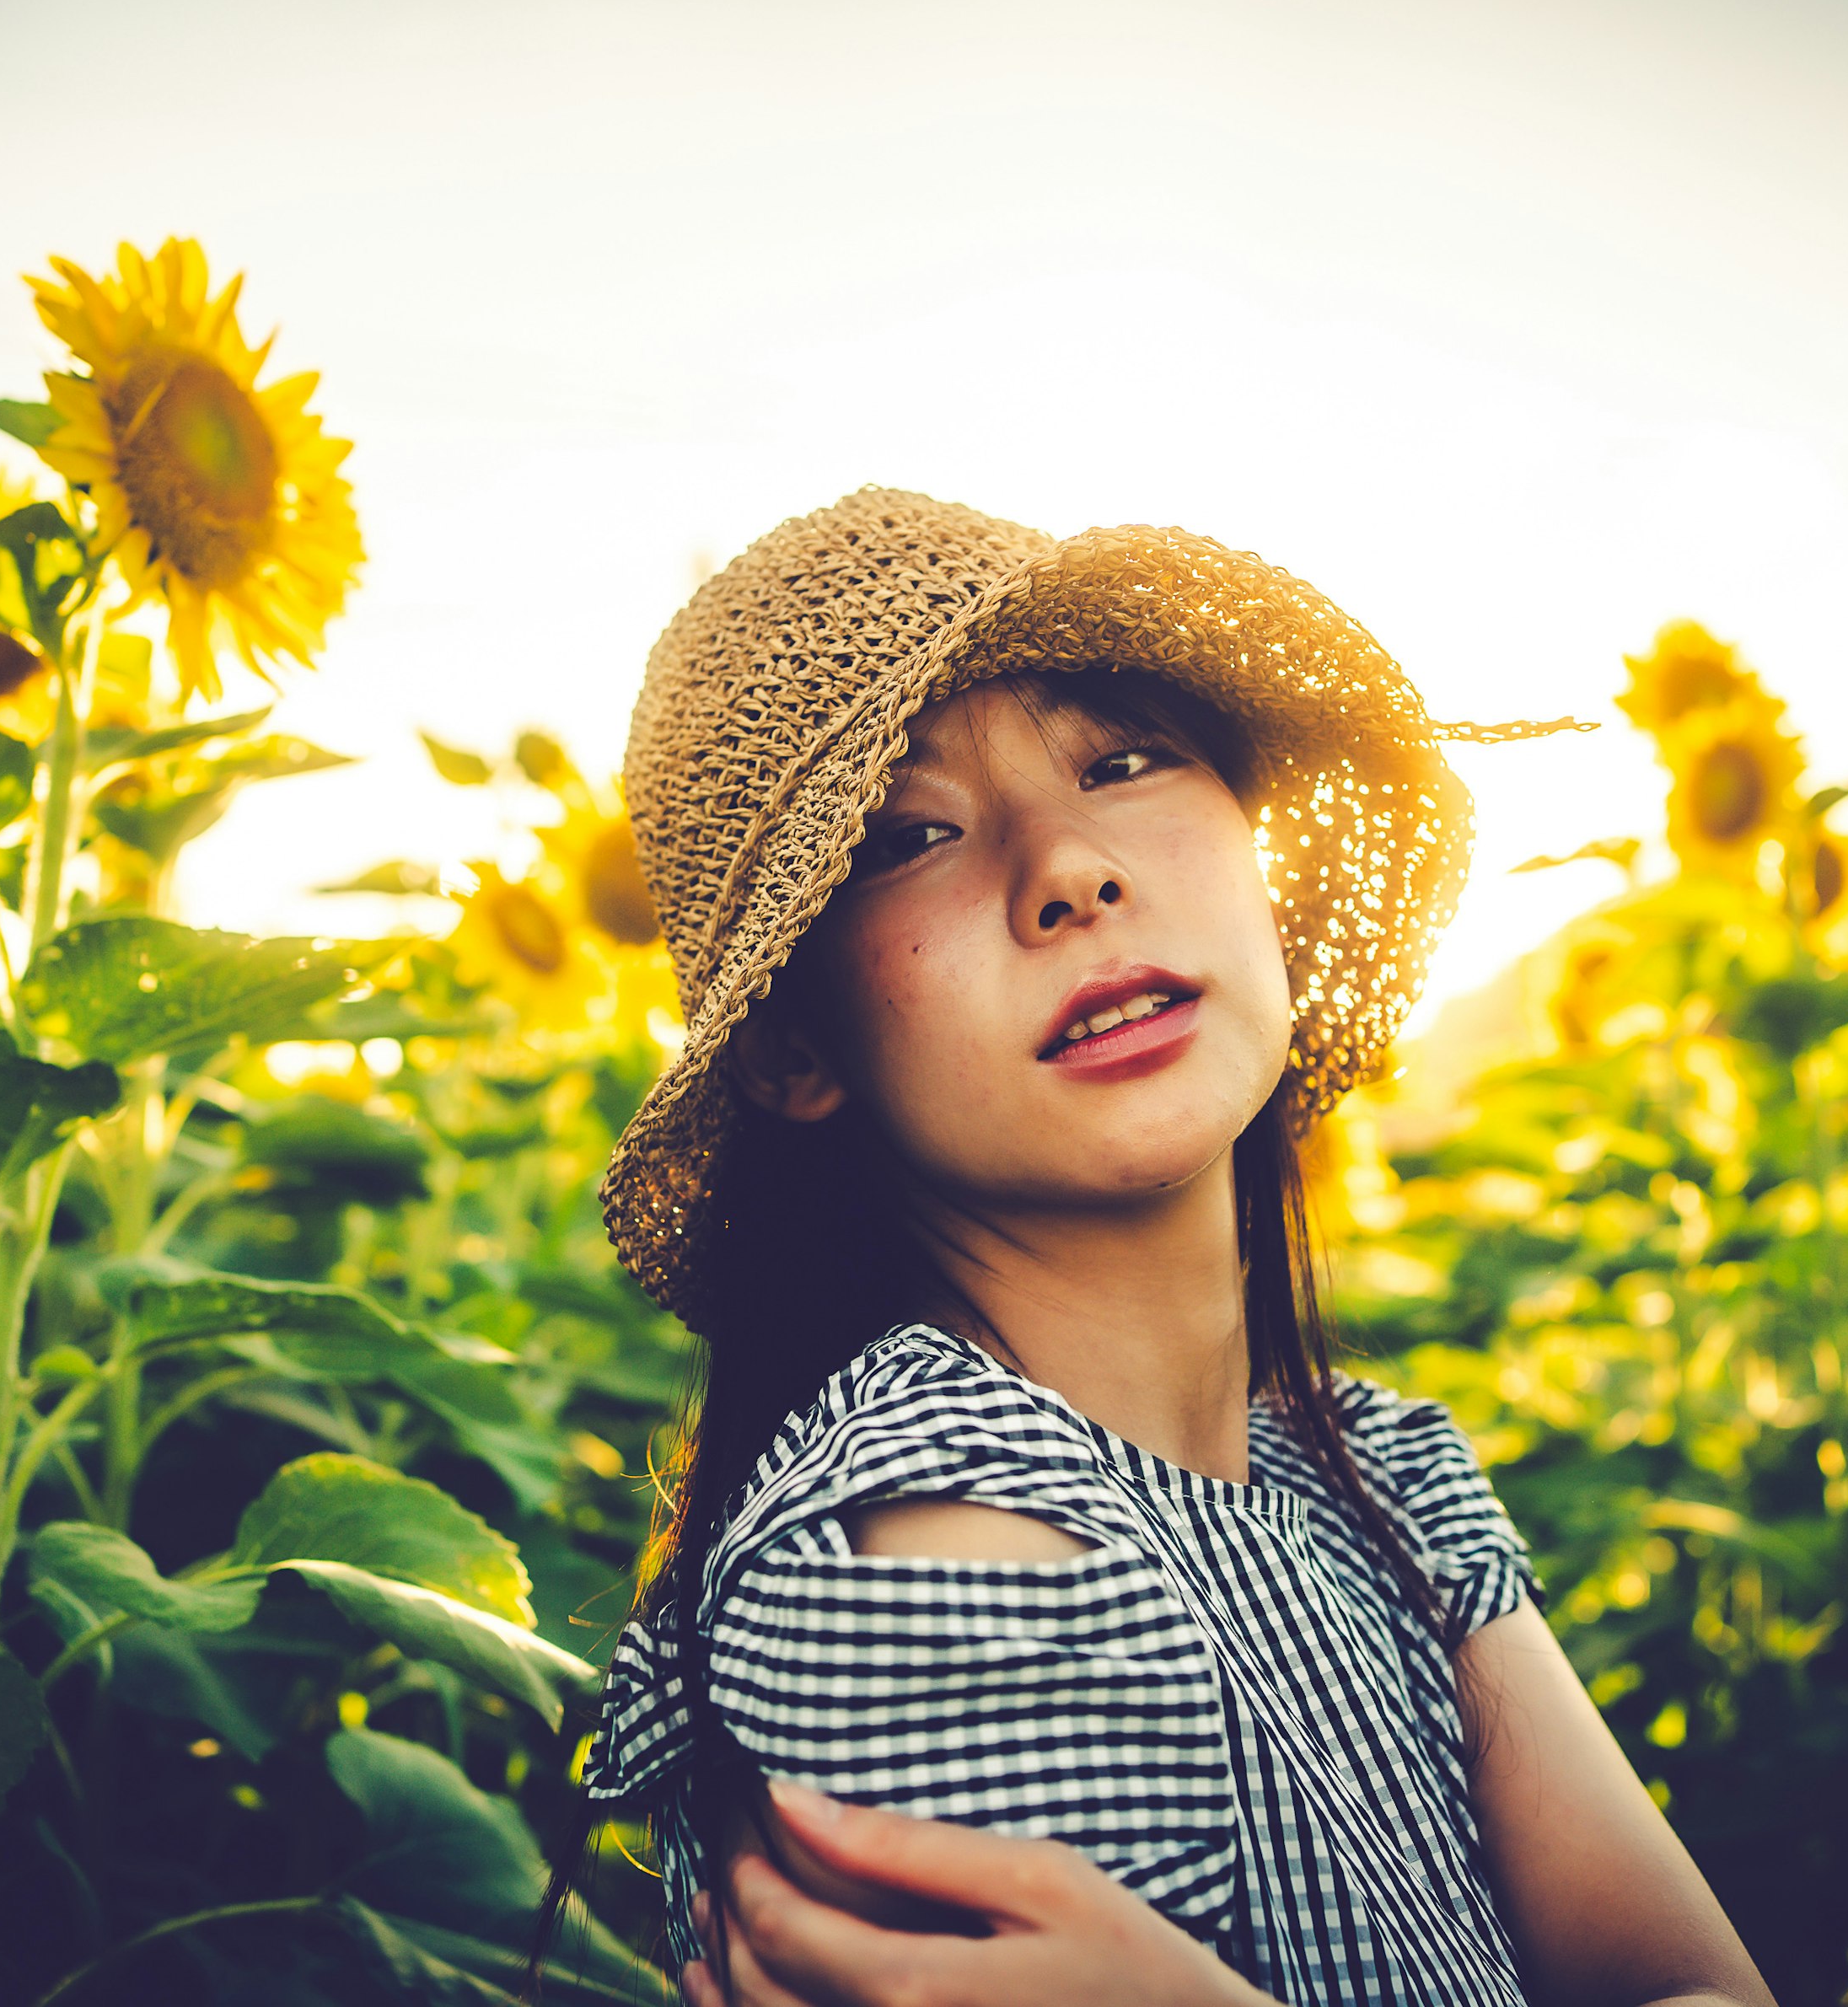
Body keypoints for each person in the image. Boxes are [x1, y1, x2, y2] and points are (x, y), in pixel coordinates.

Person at [561, 491, 1773, 2007]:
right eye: (911, 836)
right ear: (798, 1045)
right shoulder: (941, 1559)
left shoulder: (1371, 1476)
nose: (1069, 865)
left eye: (1123, 761)